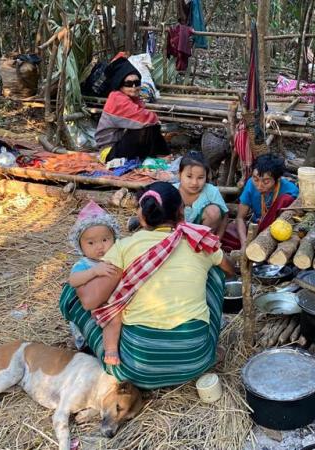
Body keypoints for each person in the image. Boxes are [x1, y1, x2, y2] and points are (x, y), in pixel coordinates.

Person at [59, 182, 236, 389]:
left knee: (72, 290)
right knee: (215, 272)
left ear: (141, 215)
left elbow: (90, 301)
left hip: (135, 371)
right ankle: (206, 348)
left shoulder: (125, 247)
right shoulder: (199, 240)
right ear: (181, 212)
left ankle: (110, 351)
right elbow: (230, 269)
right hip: (196, 361)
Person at [67, 201, 123, 366]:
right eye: (91, 243)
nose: (99, 247)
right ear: (81, 246)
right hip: (96, 310)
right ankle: (108, 351)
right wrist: (94, 272)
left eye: (105, 240)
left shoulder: (116, 258)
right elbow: (73, 280)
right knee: (113, 320)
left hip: (113, 303)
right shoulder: (84, 264)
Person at [95, 54, 169, 161]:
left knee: (150, 126)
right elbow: (143, 118)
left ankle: (162, 155)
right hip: (109, 152)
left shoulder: (133, 98)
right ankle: (161, 155)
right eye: (128, 83)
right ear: (120, 85)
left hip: (120, 145)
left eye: (136, 82)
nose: (134, 87)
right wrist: (156, 120)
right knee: (146, 126)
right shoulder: (117, 98)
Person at [225, 153, 298, 251]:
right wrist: (244, 243)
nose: (259, 186)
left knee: (286, 200)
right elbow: (240, 218)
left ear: (277, 179)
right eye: (256, 179)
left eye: (266, 181)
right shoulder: (251, 184)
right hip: (256, 227)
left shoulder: (291, 191)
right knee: (224, 233)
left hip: (276, 233)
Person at [175, 152, 228, 235]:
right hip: (174, 232)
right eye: (189, 176)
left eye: (200, 178)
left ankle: (205, 241)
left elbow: (225, 216)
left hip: (201, 234)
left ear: (206, 176)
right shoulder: (172, 190)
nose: (194, 183)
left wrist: (218, 238)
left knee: (214, 211)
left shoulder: (211, 191)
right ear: (179, 174)